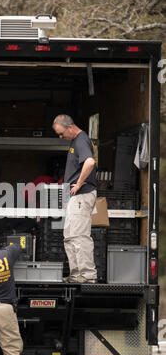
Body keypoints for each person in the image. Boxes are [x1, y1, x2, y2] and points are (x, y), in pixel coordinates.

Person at [52, 115, 97, 284]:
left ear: (70, 127)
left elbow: (90, 162)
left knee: (79, 236)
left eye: (61, 133)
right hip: (74, 197)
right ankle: (76, 274)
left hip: (81, 195)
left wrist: (78, 184)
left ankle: (87, 275)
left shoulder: (81, 140)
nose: (61, 137)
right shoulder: (76, 141)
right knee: (70, 236)